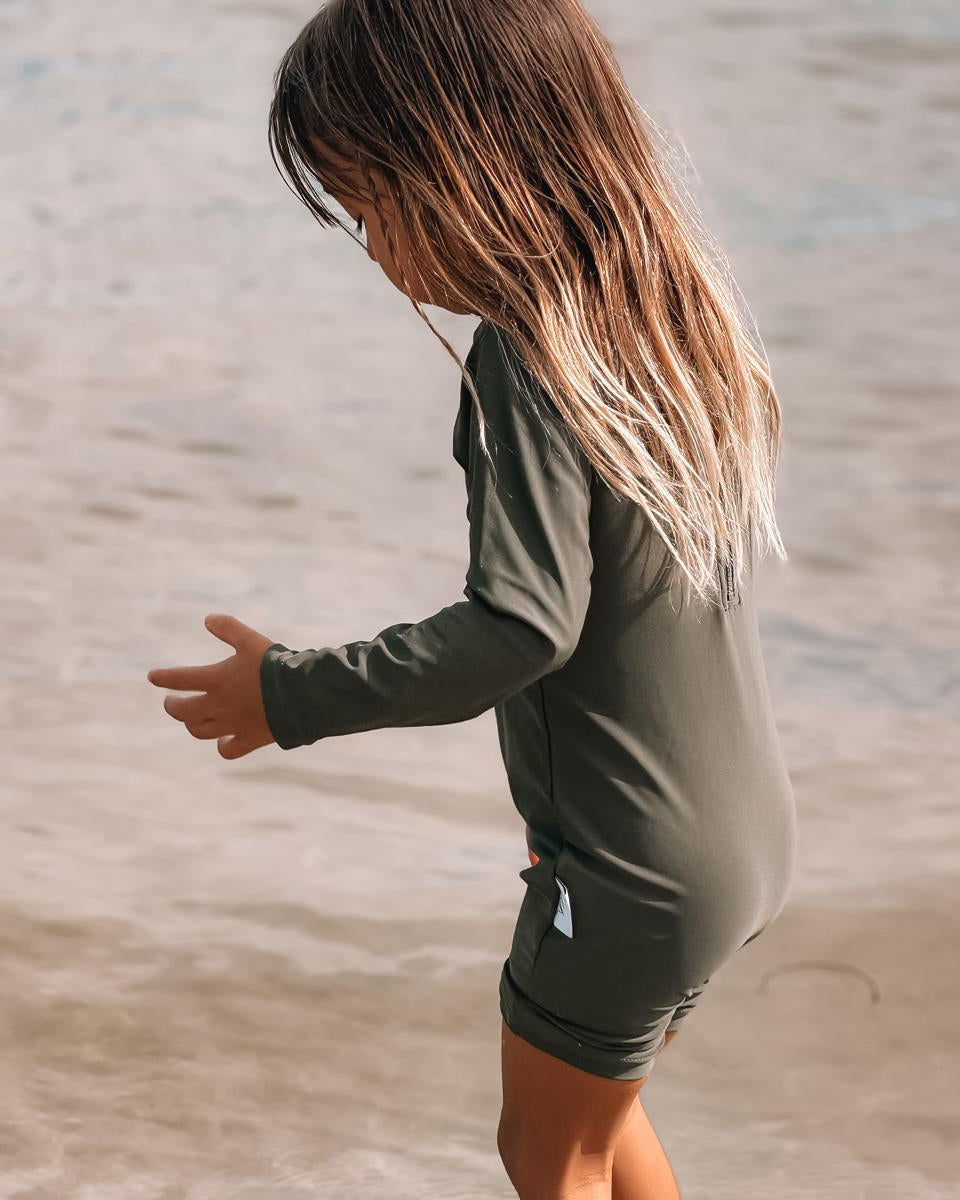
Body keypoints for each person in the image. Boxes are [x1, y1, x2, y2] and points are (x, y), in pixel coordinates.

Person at [146, 2, 797, 1196]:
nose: (372, 247)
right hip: (738, 844)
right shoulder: (669, 316)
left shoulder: (528, 356)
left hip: (623, 871)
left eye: (367, 202)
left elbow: (520, 626)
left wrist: (287, 692)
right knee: (600, 1128)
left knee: (544, 1154)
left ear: (460, 162)